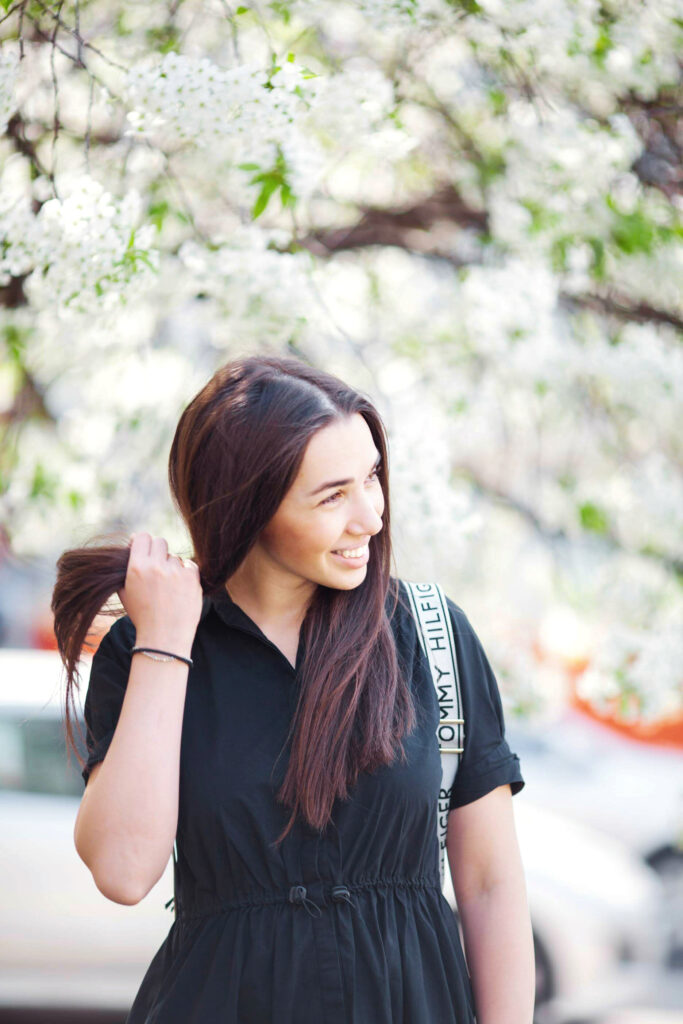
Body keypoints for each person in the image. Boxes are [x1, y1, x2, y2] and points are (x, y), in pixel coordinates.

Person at [52, 354, 535, 1024]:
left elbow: (489, 884)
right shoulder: (145, 652)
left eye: (371, 478)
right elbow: (124, 871)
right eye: (331, 495)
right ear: (249, 506)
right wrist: (166, 639)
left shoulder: (428, 635)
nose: (369, 517)